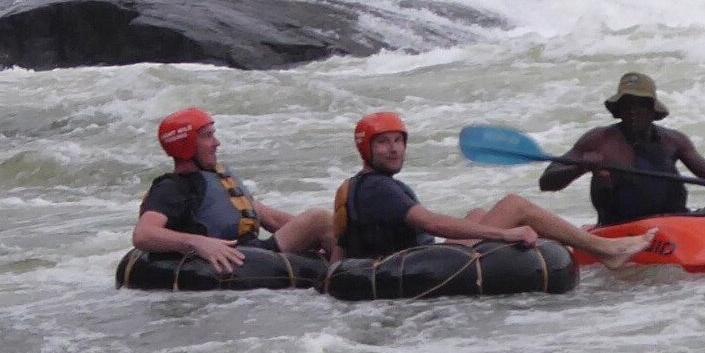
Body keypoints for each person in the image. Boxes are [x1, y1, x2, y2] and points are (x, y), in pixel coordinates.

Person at [336, 111, 643, 267]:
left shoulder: (369, 183)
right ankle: (607, 251)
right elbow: (430, 222)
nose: (394, 150)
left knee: (478, 213)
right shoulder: (379, 188)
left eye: (398, 141)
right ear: (366, 149)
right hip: (421, 264)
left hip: (418, 256)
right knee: (514, 206)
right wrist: (507, 234)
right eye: (383, 143)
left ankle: (577, 243)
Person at [132, 107, 335, 275]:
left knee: (326, 223)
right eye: (208, 136)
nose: (216, 143)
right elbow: (143, 234)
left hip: (255, 252)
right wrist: (198, 243)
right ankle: (342, 280)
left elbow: (271, 219)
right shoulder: (173, 187)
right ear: (186, 145)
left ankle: (354, 266)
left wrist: (319, 235)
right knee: (319, 217)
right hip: (239, 259)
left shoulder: (218, 178)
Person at [536, 71, 705, 224]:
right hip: (620, 227)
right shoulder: (598, 140)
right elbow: (547, 181)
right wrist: (580, 167)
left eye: (639, 105)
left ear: (652, 110)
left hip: (674, 220)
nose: (632, 111)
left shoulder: (674, 141)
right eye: (626, 104)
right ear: (618, 110)